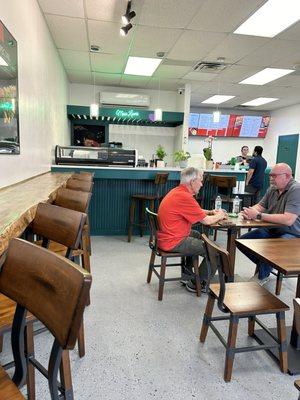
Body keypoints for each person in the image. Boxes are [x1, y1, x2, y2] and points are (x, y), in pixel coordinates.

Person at [157, 167, 227, 293]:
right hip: (173, 241)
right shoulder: (184, 197)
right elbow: (206, 221)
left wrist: (211, 212)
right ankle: (197, 283)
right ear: (192, 181)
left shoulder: (178, 192)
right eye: (200, 180)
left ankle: (187, 275)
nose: (201, 183)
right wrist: (220, 215)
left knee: (197, 235)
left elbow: (195, 211)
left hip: (167, 236)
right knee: (216, 253)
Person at [239, 163, 300, 284]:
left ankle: (262, 275)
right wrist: (250, 211)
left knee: (271, 249)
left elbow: (288, 220)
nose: (271, 178)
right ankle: (265, 267)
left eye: (274, 176)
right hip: (272, 228)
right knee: (242, 242)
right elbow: (261, 205)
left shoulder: (296, 190)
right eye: (270, 175)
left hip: (292, 233)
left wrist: (257, 215)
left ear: (287, 176)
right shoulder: (273, 188)